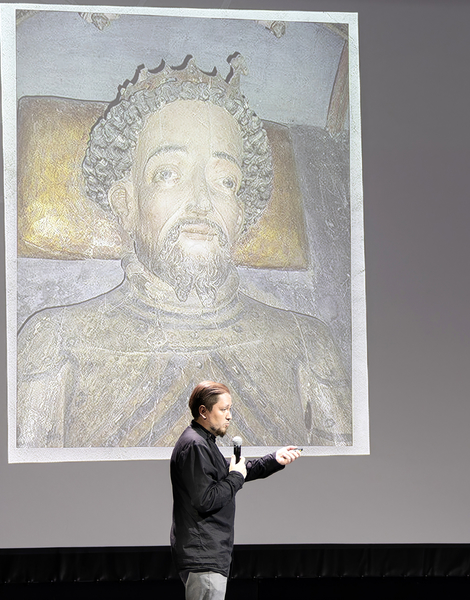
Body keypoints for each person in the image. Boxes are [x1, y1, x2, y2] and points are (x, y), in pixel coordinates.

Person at [16, 55, 351, 448]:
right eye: (168, 174)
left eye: (225, 181)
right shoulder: (55, 342)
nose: (201, 202)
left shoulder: (307, 343)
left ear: (240, 214)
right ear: (126, 203)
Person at [171, 381, 301, 600]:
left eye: (229, 409)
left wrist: (274, 459)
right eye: (223, 409)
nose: (229, 416)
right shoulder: (195, 445)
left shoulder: (204, 442)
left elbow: (233, 471)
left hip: (208, 554)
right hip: (204, 555)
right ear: (203, 411)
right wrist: (235, 477)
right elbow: (206, 499)